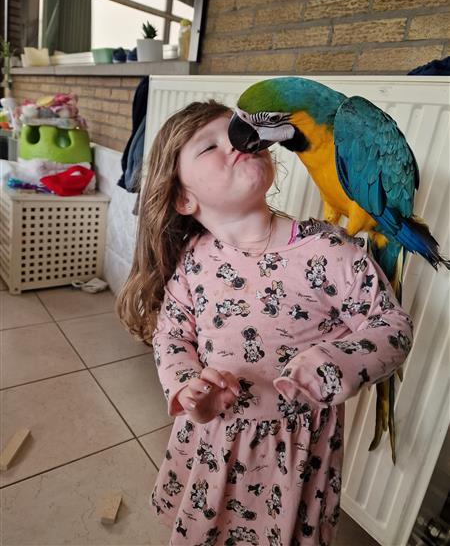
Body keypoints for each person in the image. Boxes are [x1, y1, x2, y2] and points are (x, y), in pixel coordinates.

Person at [117, 100, 413, 546]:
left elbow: (392, 325)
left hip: (293, 454)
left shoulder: (329, 251)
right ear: (183, 197)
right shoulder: (193, 259)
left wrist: (337, 361)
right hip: (213, 439)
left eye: (238, 132)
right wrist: (186, 385)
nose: (236, 142)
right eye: (209, 146)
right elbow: (172, 333)